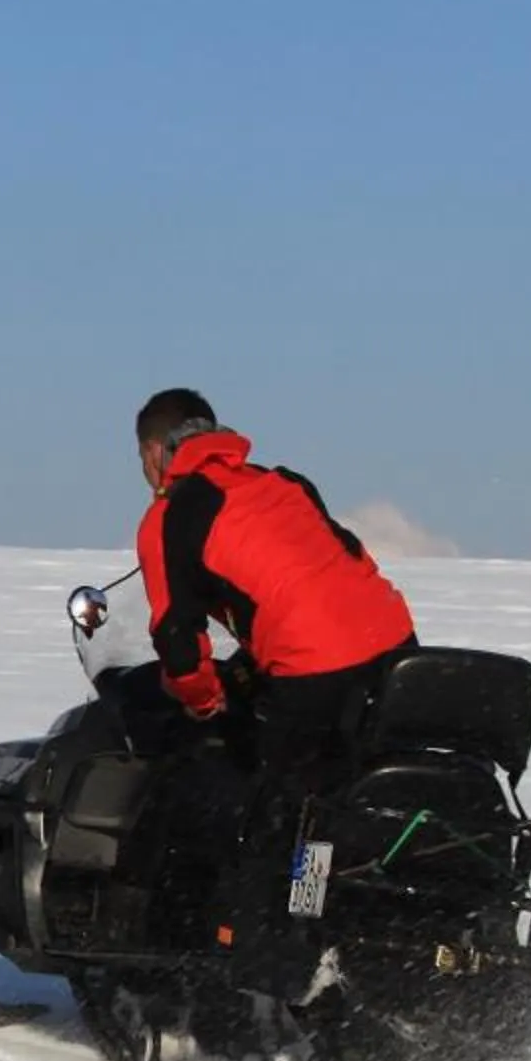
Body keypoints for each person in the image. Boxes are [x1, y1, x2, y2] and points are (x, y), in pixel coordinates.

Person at [132, 388, 417, 1001]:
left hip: (315, 672)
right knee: (366, 796)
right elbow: (347, 556)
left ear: (156, 454)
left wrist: (203, 701)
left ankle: (274, 979)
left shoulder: (173, 515)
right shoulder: (283, 483)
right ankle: (381, 922)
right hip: (398, 651)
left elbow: (177, 638)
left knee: (288, 821)